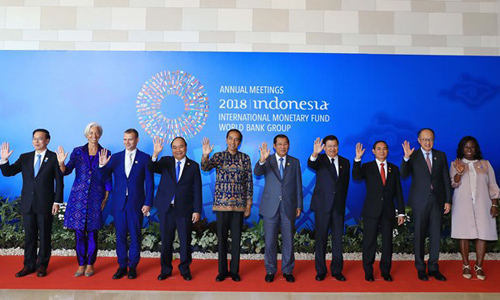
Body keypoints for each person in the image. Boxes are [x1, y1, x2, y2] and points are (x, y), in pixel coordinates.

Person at [0, 129, 63, 277]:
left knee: (45, 236)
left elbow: (59, 183)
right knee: (29, 236)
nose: (36, 141)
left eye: (40, 138)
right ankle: (28, 265)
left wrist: (57, 202)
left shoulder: (54, 158)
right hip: (28, 203)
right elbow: (8, 172)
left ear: (47, 140)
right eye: (34, 138)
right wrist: (4, 160)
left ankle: (41, 266)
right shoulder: (25, 157)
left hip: (45, 203)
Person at [56, 122, 111, 277]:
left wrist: (106, 196)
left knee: (93, 232)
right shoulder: (78, 152)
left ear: (100, 135)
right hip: (78, 197)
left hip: (96, 196)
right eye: (91, 133)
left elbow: (106, 177)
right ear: (86, 134)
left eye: (97, 133)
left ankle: (90, 264)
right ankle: (81, 264)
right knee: (79, 232)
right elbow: (66, 171)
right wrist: (61, 163)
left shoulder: (105, 153)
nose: (94, 136)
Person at [98, 129, 154, 280]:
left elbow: (149, 183)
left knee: (135, 236)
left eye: (130, 139)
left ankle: (133, 267)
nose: (127, 142)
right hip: (119, 204)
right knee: (120, 235)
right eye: (125, 139)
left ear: (137, 140)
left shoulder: (145, 158)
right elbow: (103, 177)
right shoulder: (115, 158)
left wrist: (148, 202)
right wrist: (103, 166)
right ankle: (122, 266)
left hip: (136, 204)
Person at [201, 129, 253, 282]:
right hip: (221, 205)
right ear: (226, 140)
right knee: (222, 240)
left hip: (238, 206)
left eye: (236, 139)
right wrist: (205, 155)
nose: (233, 142)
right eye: (230, 139)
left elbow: (249, 183)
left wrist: (248, 204)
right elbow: (205, 167)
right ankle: (222, 271)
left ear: (240, 142)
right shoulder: (219, 156)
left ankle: (235, 271)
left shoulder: (245, 158)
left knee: (236, 239)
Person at [400, 128, 452, 281]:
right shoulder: (413, 155)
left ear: (434, 140)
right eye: (424, 139)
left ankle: (434, 267)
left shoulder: (440, 156)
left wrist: (448, 200)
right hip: (419, 202)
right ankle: (420, 268)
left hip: (437, 201)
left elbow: (445, 179)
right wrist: (406, 158)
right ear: (419, 140)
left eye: (430, 139)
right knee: (419, 235)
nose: (427, 142)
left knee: (436, 235)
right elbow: (403, 174)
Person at [149, 136, 202, 281]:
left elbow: (197, 190)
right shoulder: (166, 161)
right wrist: (155, 154)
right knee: (166, 241)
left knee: (185, 241)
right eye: (175, 147)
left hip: (184, 209)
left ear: (186, 147)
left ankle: (185, 269)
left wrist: (197, 210)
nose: (178, 150)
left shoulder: (194, 166)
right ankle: (165, 270)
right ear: (171, 149)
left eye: (181, 146)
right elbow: (152, 167)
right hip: (166, 209)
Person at [352, 141, 405, 282]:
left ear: (388, 151)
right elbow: (356, 176)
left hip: (387, 212)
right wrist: (357, 159)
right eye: (379, 149)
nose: (382, 151)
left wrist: (401, 212)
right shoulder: (367, 167)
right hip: (371, 211)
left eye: (384, 149)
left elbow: (398, 192)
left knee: (387, 243)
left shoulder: (394, 169)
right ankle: (368, 271)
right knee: (369, 242)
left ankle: (385, 271)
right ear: (373, 151)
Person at [254, 134, 303, 283]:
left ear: (289, 145)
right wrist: (262, 159)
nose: (283, 146)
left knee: (288, 240)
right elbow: (257, 172)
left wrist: (299, 204)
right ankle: (270, 270)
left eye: (285, 144)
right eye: (279, 144)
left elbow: (298, 185)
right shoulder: (267, 159)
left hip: (288, 206)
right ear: (274, 146)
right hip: (271, 207)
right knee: (270, 241)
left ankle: (288, 271)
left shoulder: (294, 162)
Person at [450, 136, 499, 280]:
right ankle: (466, 265)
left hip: (483, 204)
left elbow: (493, 186)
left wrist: (495, 204)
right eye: (466, 147)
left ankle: (479, 266)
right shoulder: (455, 163)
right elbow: (454, 184)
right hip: (462, 204)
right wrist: (459, 172)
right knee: (463, 234)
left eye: (472, 147)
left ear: (476, 149)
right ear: (462, 149)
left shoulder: (485, 164)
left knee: (482, 234)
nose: (469, 150)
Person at [308, 135, 350, 281]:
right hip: (322, 206)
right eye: (329, 146)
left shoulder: (345, 162)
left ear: (338, 146)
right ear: (324, 147)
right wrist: (315, 153)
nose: (333, 149)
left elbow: (344, 186)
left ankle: (337, 270)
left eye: (335, 146)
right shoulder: (319, 160)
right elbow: (311, 164)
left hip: (338, 207)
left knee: (338, 239)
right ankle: (320, 271)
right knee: (321, 239)